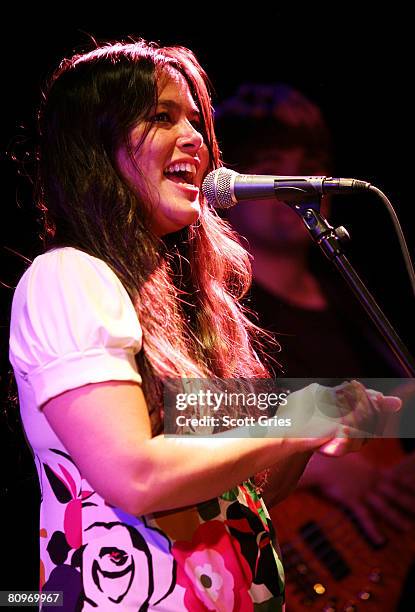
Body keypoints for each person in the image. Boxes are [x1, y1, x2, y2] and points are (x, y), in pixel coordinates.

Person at [8, 41, 400, 611]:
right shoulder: (68, 277)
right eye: (162, 117)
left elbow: (239, 492)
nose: (195, 137)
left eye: (195, 119)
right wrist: (294, 422)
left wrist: (314, 435)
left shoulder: (178, 302)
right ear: (95, 148)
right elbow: (135, 476)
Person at [215, 83, 415, 604]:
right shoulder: (222, 308)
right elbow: (192, 421)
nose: (295, 183)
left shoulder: (351, 293)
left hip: (381, 553)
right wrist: (324, 468)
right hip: (284, 546)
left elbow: (391, 411)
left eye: (306, 164)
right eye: (271, 164)